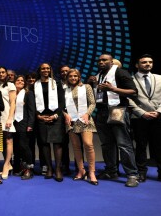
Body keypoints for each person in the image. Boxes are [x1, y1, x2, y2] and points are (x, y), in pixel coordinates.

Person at [88, 53, 139, 187]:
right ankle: (111, 170)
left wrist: (113, 88)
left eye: (104, 60)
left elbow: (133, 92)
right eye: (99, 60)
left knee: (123, 144)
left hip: (117, 110)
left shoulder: (120, 72)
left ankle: (132, 174)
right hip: (102, 111)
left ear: (111, 62)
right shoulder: (98, 75)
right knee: (106, 144)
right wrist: (92, 84)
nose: (101, 62)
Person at [128, 54, 161, 181]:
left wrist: (158, 111)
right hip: (139, 118)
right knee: (141, 146)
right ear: (137, 65)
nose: (148, 64)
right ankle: (141, 172)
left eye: (150, 62)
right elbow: (128, 99)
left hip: (158, 117)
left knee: (159, 145)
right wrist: (141, 113)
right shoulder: (130, 79)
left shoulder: (160, 78)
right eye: (144, 62)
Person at [63, 69, 98, 185]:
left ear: (79, 77)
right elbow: (61, 106)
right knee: (76, 147)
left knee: (88, 144)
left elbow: (93, 103)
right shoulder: (64, 89)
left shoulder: (86, 87)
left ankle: (92, 172)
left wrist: (88, 113)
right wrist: (65, 114)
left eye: (75, 76)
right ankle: (81, 170)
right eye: (71, 76)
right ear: (67, 78)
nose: (73, 78)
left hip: (85, 119)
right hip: (71, 121)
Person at [32, 62, 65, 182]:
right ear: (39, 71)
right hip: (41, 117)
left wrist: (56, 115)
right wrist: (38, 116)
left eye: (47, 68)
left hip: (55, 116)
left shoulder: (56, 83)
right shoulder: (34, 85)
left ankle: (58, 169)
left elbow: (62, 101)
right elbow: (32, 103)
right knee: (44, 144)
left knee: (57, 143)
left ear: (50, 70)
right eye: (43, 68)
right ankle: (50, 169)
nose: (45, 70)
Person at [0, 66, 16, 179]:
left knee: (8, 141)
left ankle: (6, 165)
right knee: (1, 142)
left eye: (3, 72)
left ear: (6, 74)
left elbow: (13, 103)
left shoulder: (10, 85)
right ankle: (9, 164)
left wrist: (10, 118)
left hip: (7, 115)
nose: (1, 74)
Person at [13, 75, 36, 179]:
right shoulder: (12, 94)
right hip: (14, 123)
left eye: (22, 80)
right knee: (17, 147)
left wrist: (30, 124)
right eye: (18, 80)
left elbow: (32, 111)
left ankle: (29, 170)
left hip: (24, 123)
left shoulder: (28, 93)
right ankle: (22, 167)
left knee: (24, 146)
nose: (20, 82)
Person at [59, 65, 73, 175]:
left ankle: (80, 166)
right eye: (62, 71)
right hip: (61, 117)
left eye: (66, 71)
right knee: (63, 143)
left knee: (78, 143)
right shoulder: (57, 85)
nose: (64, 73)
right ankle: (65, 166)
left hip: (76, 116)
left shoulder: (77, 85)